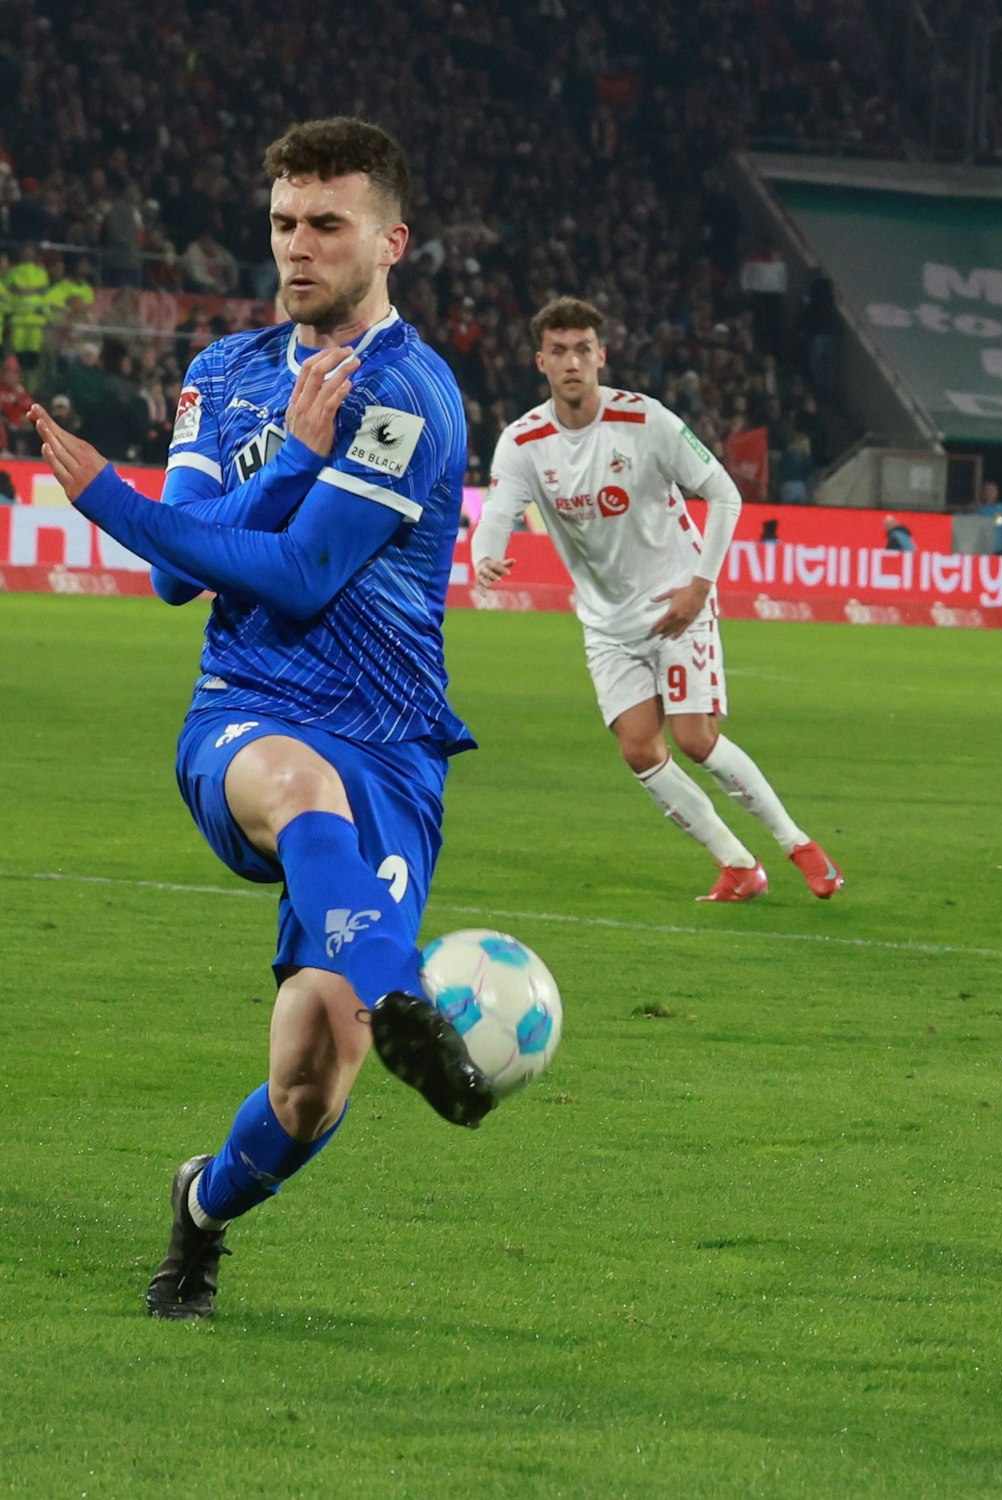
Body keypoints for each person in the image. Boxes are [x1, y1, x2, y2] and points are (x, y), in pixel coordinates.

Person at [31, 117, 490, 1322]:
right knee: (298, 790)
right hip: (250, 715)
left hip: (389, 743)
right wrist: (283, 460)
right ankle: (397, 986)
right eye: (284, 222)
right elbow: (187, 579)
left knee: (307, 1083)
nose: (298, 246)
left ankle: (202, 1208)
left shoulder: (411, 396)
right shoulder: (224, 374)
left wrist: (110, 501)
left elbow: (294, 574)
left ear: (391, 240)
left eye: (326, 224)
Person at [473, 296, 842, 904]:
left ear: (602, 355)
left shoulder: (647, 421)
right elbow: (499, 511)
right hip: (606, 621)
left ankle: (797, 843)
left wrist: (700, 585)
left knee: (696, 740)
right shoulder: (523, 441)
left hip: (678, 600)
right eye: (559, 351)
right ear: (541, 361)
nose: (572, 362)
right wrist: (487, 554)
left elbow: (724, 495)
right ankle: (738, 865)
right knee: (640, 749)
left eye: (583, 350)